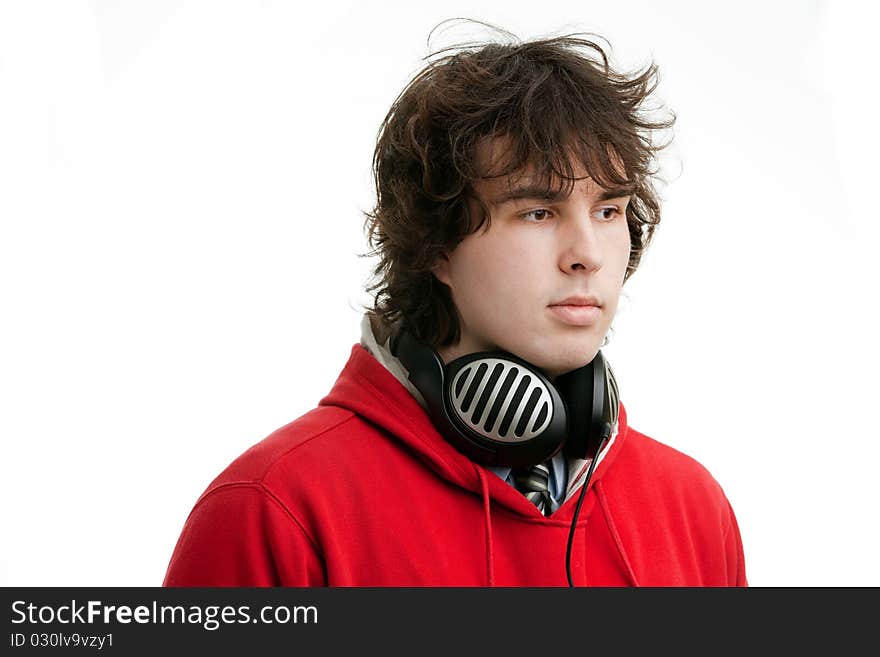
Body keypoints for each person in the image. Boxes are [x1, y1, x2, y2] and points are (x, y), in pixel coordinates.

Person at [163, 28, 747, 587]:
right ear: (436, 244)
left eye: (608, 211)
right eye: (538, 213)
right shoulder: (275, 506)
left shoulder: (693, 508)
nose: (587, 256)